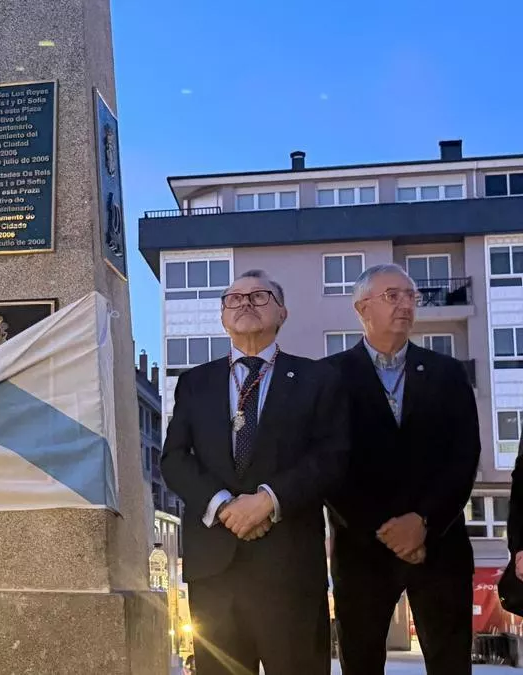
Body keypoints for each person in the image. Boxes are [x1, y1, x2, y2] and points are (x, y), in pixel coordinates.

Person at [160, 270, 347, 675]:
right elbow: (174, 458)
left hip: (289, 568)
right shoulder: (194, 382)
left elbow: (333, 457)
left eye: (259, 296)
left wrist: (268, 501)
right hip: (215, 570)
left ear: (282, 313)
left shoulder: (318, 379)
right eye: (234, 298)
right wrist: (224, 505)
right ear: (223, 317)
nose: (245, 303)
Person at [325, 263, 479, 675]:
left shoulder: (448, 373)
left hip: (440, 546)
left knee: (450, 663)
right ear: (362, 308)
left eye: (411, 296)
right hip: (362, 549)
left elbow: (464, 456)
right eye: (392, 296)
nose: (406, 304)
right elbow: (329, 464)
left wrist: (424, 522)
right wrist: (385, 529)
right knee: (361, 663)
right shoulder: (329, 377)